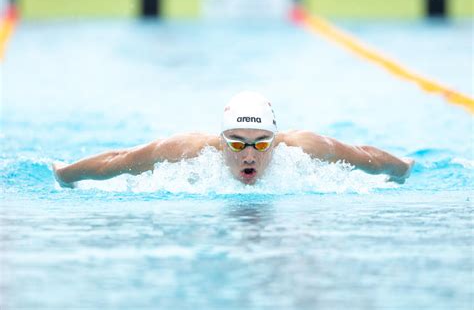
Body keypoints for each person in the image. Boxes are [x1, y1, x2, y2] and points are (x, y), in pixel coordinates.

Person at [53, 91, 414, 188]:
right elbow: (121, 160)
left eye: (260, 143)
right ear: (221, 141)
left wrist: (403, 170)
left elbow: (364, 156)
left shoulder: (303, 148)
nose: (249, 154)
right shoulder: (190, 152)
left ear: (276, 141)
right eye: (237, 142)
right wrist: (66, 174)